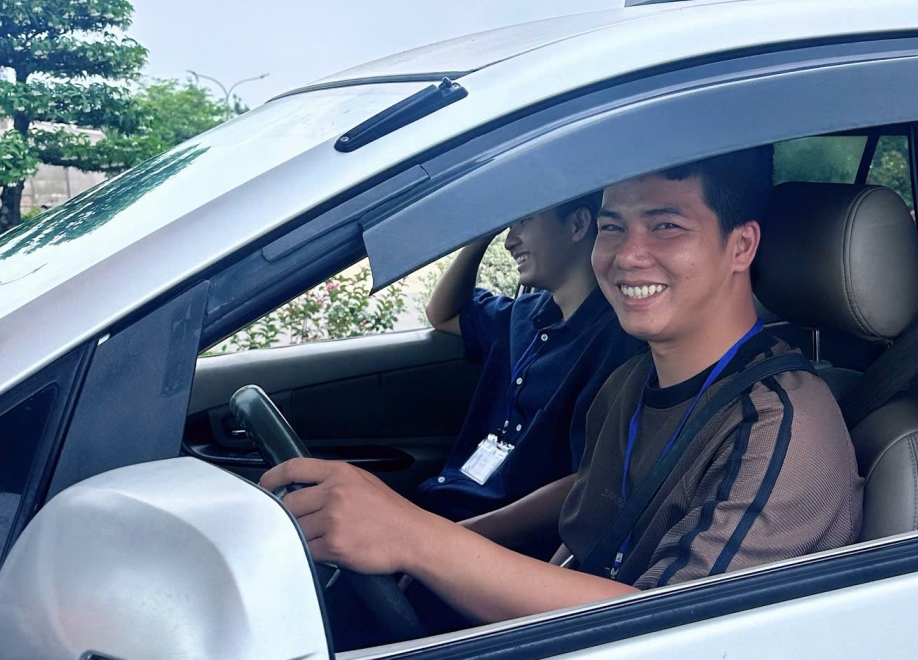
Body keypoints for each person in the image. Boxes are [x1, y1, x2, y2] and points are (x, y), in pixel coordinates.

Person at [263, 149, 862, 626]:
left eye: (666, 226)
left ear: (742, 245)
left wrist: (417, 539)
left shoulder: (782, 428)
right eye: (612, 227)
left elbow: (670, 635)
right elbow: (580, 550)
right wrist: (442, 543)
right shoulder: (631, 385)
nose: (628, 255)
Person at [418, 199, 639, 522]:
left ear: (577, 225)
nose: (509, 241)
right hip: (445, 506)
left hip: (491, 538)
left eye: (523, 220)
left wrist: (452, 537)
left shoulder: (619, 341)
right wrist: (480, 236)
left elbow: (589, 482)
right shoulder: (520, 315)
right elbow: (442, 314)